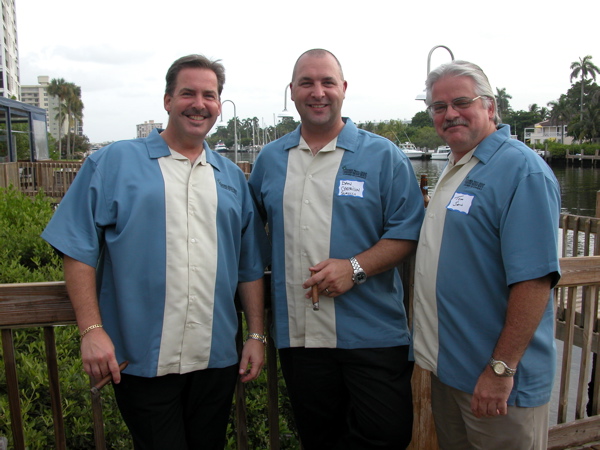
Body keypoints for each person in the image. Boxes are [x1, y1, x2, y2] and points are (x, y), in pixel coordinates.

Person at [42, 54, 267, 449]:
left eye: (209, 95)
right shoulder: (111, 162)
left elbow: (248, 266)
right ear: (167, 100)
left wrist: (256, 334)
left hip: (215, 358)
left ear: (219, 104)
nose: (199, 103)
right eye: (188, 93)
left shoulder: (231, 177)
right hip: (140, 359)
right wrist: (91, 331)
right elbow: (78, 249)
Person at [249, 48, 424, 449]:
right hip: (301, 339)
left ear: (343, 89)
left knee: (387, 435)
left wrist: (355, 267)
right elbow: (247, 230)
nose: (318, 92)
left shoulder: (383, 156)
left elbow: (407, 231)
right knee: (320, 439)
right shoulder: (271, 159)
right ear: (292, 92)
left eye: (328, 82)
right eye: (307, 83)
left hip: (373, 334)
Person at [412, 60, 561, 449]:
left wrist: (501, 369)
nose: (450, 114)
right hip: (451, 370)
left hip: (499, 382)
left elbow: (534, 280)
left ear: (490, 107)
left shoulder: (520, 170)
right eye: (439, 107)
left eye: (462, 102)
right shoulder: (457, 164)